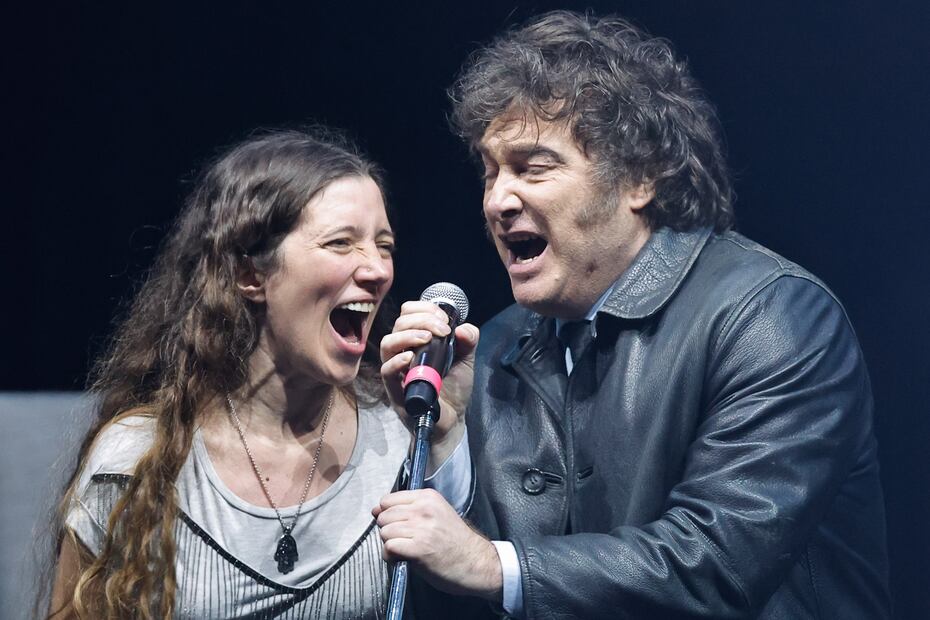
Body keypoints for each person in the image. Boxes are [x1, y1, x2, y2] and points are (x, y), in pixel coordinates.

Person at [376, 10, 891, 619]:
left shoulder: (772, 315)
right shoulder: (490, 347)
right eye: (489, 173)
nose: (497, 200)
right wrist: (446, 442)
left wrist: (493, 564)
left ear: (639, 179)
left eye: (532, 168)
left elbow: (717, 564)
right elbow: (487, 595)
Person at [45, 128, 414, 619]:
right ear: (250, 275)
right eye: (341, 243)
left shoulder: (403, 443)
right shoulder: (135, 463)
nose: (376, 270)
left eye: (383, 245)